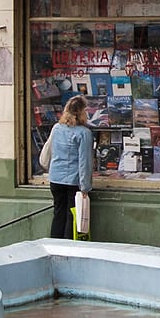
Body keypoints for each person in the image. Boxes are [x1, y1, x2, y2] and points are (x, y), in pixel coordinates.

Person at [45, 95, 93, 239]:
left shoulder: (57, 128)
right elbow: (84, 162)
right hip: (73, 180)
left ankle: (55, 243)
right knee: (72, 216)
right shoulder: (84, 133)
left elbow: (50, 151)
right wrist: (85, 187)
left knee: (58, 213)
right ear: (82, 112)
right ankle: (68, 245)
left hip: (55, 178)